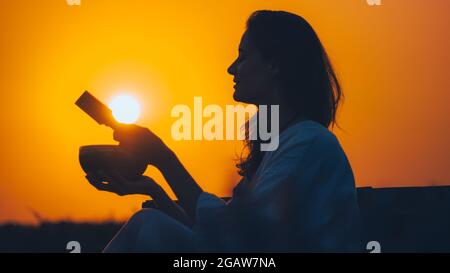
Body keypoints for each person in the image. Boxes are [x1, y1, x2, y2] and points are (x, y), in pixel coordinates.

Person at [86, 10, 362, 252]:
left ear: (274, 64)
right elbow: (217, 240)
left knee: (149, 224)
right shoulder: (281, 145)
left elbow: (239, 240)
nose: (231, 68)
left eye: (242, 57)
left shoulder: (309, 143)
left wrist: (163, 157)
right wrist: (154, 189)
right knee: (149, 222)